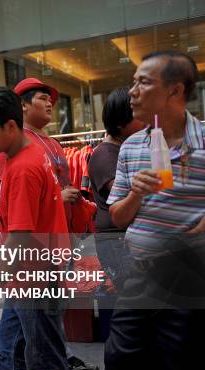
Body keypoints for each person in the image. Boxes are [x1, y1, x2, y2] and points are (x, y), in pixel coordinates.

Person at [105, 51, 205, 370]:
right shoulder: (133, 146)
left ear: (175, 91)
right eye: (133, 81)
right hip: (142, 278)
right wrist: (136, 192)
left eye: (143, 82)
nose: (132, 91)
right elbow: (118, 218)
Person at [0, 87, 72, 370]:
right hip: (28, 277)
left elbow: (20, 235)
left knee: (46, 364)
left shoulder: (24, 167)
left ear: (11, 126)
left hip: (34, 278)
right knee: (12, 351)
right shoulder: (28, 155)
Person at [13, 77, 100, 370]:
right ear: (22, 106)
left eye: (50, 98)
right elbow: (8, 202)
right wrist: (58, 197)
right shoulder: (14, 146)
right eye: (41, 98)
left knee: (46, 316)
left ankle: (52, 360)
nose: (50, 102)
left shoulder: (50, 143)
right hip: (34, 250)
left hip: (60, 240)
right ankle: (52, 368)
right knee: (38, 322)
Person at [89, 88, 144, 291]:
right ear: (121, 123)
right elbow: (124, 197)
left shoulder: (124, 149)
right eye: (138, 116)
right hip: (116, 241)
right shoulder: (105, 155)